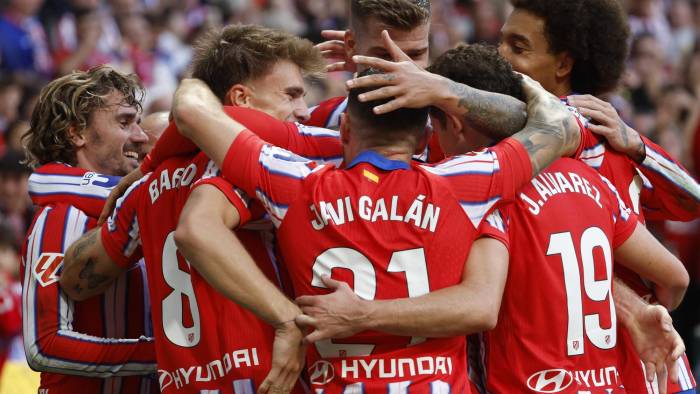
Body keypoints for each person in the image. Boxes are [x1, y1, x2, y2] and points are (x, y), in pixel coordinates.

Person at [161, 47, 584, 391]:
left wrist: (291, 320)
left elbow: (191, 107)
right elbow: (560, 125)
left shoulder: (293, 184)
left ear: (343, 129)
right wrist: (443, 87)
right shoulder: (466, 182)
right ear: (424, 138)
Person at [352, 1, 700, 391]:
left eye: (519, 47)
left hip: (615, 363)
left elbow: (689, 204)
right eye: (501, 42)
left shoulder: (582, 134)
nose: (502, 56)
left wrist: (441, 88)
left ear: (563, 64)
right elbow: (673, 273)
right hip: (624, 366)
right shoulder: (584, 140)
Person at [60, 24, 329, 394]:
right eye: (292, 95)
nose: (304, 110)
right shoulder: (260, 167)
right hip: (270, 379)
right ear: (242, 99)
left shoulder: (147, 185)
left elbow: (75, 279)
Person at [20, 65, 156, 393]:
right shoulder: (62, 217)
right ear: (77, 133)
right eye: (124, 122)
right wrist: (160, 354)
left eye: (137, 122)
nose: (140, 136)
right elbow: (45, 345)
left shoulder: (140, 212)